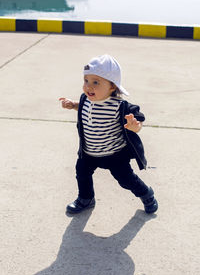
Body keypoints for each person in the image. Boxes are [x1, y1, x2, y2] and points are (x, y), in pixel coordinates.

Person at [59, 54, 158, 215]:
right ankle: (86, 198)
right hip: (88, 152)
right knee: (82, 174)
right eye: (86, 81)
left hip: (114, 155)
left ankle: (146, 194)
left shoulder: (119, 106)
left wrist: (135, 127)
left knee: (126, 180)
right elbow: (83, 106)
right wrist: (72, 105)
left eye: (95, 82)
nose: (89, 86)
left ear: (112, 87)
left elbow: (138, 120)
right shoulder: (85, 99)